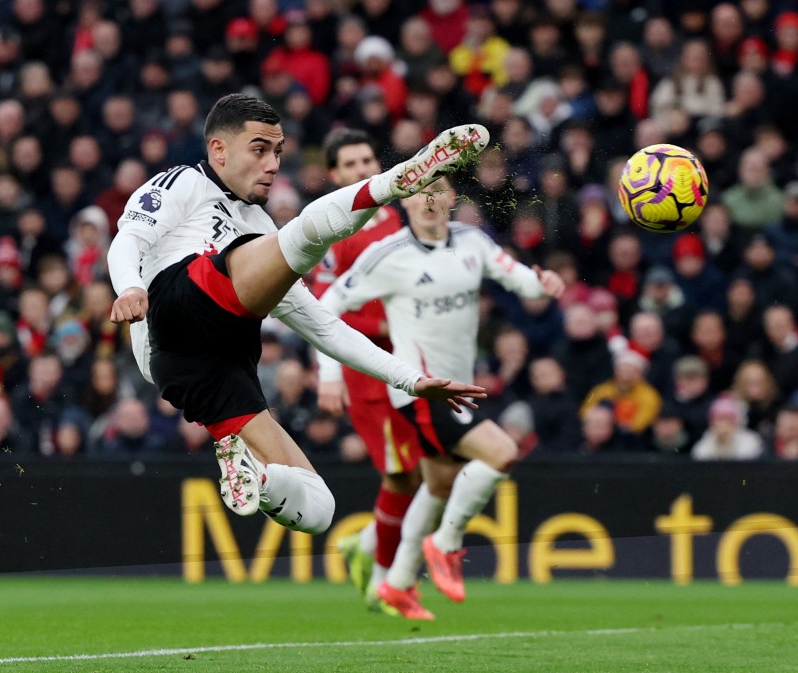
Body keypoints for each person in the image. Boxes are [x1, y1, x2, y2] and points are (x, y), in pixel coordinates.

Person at [107, 93, 489, 537]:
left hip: (205, 373)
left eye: (278, 152)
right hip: (173, 313)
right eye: (259, 150)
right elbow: (127, 239)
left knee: (318, 508)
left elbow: (324, 326)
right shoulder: (183, 183)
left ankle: (255, 476)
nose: (272, 164)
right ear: (219, 149)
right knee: (300, 239)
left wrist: (410, 380)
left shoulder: (259, 230)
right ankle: (398, 180)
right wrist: (129, 286)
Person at [316, 175, 565, 619]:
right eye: (418, 192)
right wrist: (330, 373)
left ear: (452, 198)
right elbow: (326, 306)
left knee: (438, 485)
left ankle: (395, 585)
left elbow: (519, 279)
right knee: (502, 453)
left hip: (461, 391)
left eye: (438, 191)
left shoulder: (473, 242)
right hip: (420, 392)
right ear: (404, 202)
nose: (429, 199)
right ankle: (445, 544)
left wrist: (540, 282)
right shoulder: (387, 256)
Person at [310, 128, 425, 609]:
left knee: (419, 477)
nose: (362, 171)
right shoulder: (334, 233)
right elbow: (319, 307)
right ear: (335, 175)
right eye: (350, 165)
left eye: (367, 161)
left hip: (413, 363)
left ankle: (368, 551)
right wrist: (329, 374)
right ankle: (384, 577)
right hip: (369, 372)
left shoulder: (399, 217)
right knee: (408, 476)